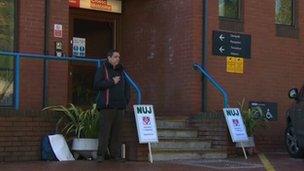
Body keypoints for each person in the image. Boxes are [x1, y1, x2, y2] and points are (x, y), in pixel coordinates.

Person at [93, 49, 130, 162]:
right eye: (115, 57)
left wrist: (125, 102)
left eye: (118, 57)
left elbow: (126, 88)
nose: (117, 59)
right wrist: (111, 82)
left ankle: (116, 155)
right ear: (109, 58)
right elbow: (97, 85)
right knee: (104, 132)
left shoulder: (121, 71)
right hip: (107, 107)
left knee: (117, 133)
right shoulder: (102, 69)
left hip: (120, 107)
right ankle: (101, 155)